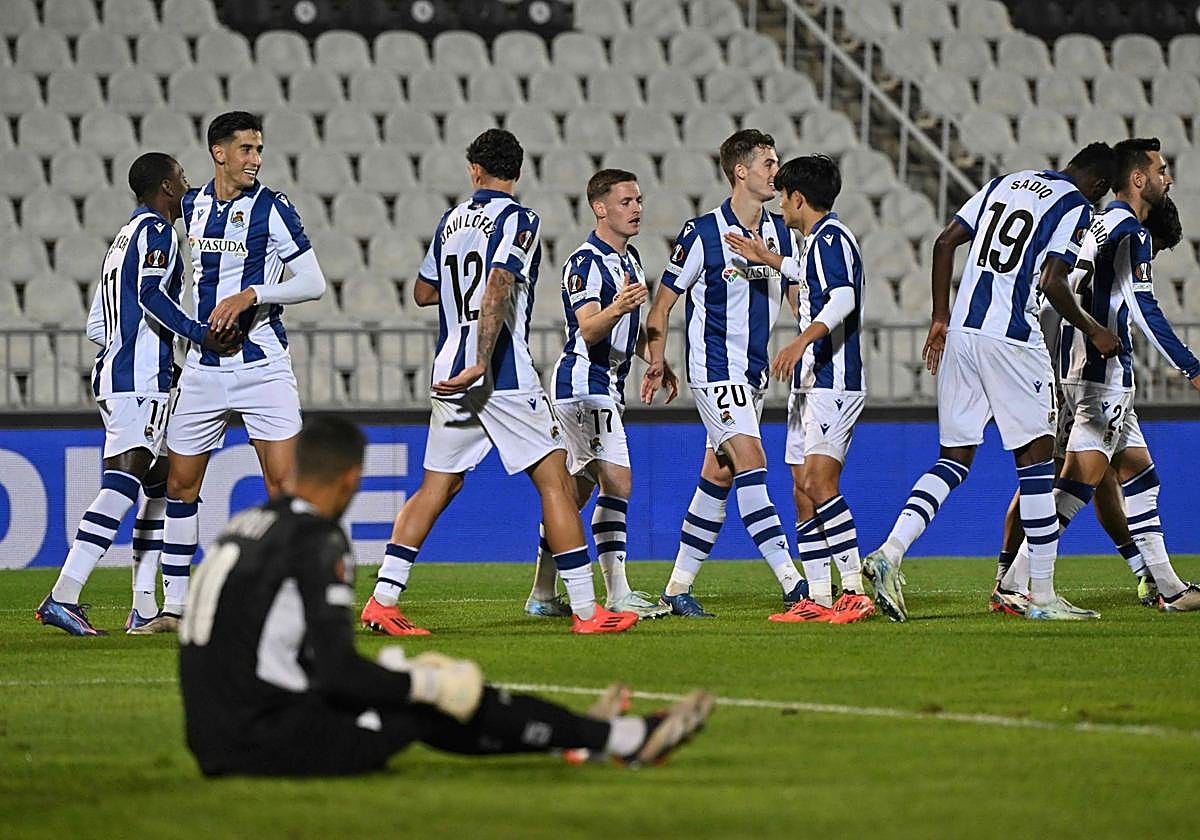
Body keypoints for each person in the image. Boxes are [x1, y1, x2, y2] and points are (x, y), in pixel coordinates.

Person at [179, 416, 713, 777]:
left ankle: (584, 738)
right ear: (350, 479)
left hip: (212, 736)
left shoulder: (243, 525)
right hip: (269, 742)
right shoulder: (317, 540)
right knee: (443, 702)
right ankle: (618, 738)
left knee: (419, 699)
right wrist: (423, 680)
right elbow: (339, 673)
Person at [361, 130, 638, 635]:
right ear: (518, 170)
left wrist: (458, 317)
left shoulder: (449, 222)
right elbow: (498, 283)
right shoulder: (519, 219)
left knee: (438, 485)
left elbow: (423, 292)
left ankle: (382, 599)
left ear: (475, 171)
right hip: (499, 373)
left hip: (449, 368)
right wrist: (482, 359)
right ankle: (584, 610)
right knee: (555, 481)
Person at [861, 143, 1122, 622]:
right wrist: (1093, 329)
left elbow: (944, 242)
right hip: (1012, 341)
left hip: (962, 333)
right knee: (1038, 465)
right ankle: (1041, 597)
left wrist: (940, 317)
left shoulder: (1006, 182)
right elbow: (1052, 280)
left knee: (954, 459)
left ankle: (889, 552)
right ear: (1100, 185)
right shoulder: (1074, 206)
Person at [34, 153, 240, 637]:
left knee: (164, 482)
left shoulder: (122, 238)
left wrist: (128, 350)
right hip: (137, 380)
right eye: (183, 180)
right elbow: (150, 295)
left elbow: (94, 324)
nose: (188, 188)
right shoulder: (158, 232)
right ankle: (63, 594)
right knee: (124, 482)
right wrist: (196, 333)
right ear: (166, 187)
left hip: (123, 372)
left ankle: (145, 605)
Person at [997, 140, 1200, 613]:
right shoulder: (1131, 231)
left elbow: (1052, 292)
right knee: (1076, 484)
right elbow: (1142, 306)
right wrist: (1190, 365)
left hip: (1077, 369)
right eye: (1161, 170)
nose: (1167, 179)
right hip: (1104, 374)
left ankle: (1169, 589)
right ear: (1137, 179)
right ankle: (1016, 581)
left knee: (1139, 476)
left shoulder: (1093, 222)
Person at [158, 111, 327, 633]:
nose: (256, 159)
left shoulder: (273, 209)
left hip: (263, 367)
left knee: (285, 486)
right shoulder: (189, 207)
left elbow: (313, 282)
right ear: (219, 152)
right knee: (181, 486)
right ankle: (174, 605)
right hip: (203, 368)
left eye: (259, 149)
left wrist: (255, 293)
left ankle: (295, 594)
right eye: (247, 149)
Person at [642, 129, 807, 618]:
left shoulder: (778, 233)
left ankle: (676, 588)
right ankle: (794, 586)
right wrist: (656, 358)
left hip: (753, 378)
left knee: (717, 476)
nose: (776, 173)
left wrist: (808, 336)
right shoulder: (702, 233)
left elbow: (797, 296)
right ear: (742, 171)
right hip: (715, 373)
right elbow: (663, 303)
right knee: (753, 464)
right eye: (769, 164)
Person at [723, 155, 874, 624]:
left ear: (798, 198)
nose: (780, 204)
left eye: (784, 195)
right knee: (799, 489)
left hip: (833, 381)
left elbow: (843, 297)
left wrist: (800, 341)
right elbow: (804, 272)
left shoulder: (832, 238)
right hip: (810, 385)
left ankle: (853, 590)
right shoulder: (814, 243)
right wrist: (769, 258)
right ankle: (821, 597)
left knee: (818, 483)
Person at [525, 168, 674, 621]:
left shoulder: (629, 261)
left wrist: (656, 359)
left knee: (571, 495)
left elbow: (628, 328)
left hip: (606, 382)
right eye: (626, 201)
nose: (637, 209)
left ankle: (543, 594)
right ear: (600, 207)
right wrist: (620, 306)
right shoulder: (585, 261)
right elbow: (588, 326)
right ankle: (617, 592)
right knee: (619, 481)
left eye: (639, 200)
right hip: (583, 383)